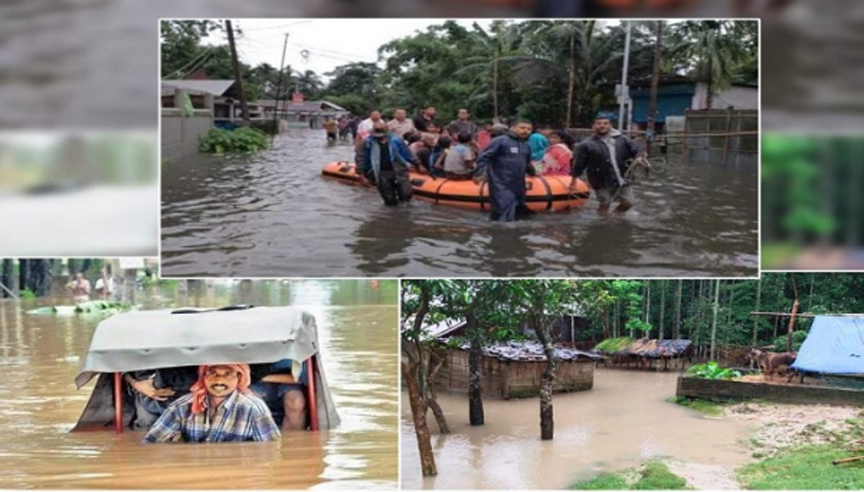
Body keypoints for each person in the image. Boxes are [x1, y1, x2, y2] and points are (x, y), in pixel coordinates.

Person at [142, 364, 280, 443]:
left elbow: (271, 454)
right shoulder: (181, 407)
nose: (219, 380)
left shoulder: (254, 410)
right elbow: (151, 444)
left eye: (228, 374)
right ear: (203, 377)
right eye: (212, 373)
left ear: (239, 378)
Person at [570, 115, 645, 215]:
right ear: (593, 126)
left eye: (605, 123)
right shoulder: (586, 144)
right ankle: (603, 222)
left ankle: (616, 216)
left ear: (610, 126)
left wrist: (639, 157)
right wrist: (573, 180)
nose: (602, 126)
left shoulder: (623, 139)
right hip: (600, 179)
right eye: (599, 124)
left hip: (622, 176)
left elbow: (637, 149)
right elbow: (579, 163)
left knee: (629, 202)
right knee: (605, 203)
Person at [473, 120, 536, 222]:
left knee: (518, 210)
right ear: (513, 128)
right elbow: (484, 156)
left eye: (529, 129)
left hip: (518, 183)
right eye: (522, 128)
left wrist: (534, 173)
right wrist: (479, 173)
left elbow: (527, 163)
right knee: (505, 210)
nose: (526, 131)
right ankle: (502, 234)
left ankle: (515, 235)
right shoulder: (501, 141)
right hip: (501, 183)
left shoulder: (526, 146)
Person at [359, 122, 418, 206]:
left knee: (406, 194)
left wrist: (417, 163)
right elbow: (361, 158)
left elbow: (407, 153)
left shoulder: (396, 140)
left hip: (399, 169)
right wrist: (361, 175)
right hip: (381, 172)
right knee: (389, 199)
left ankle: (402, 211)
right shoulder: (368, 142)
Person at [125, 367, 198, 430]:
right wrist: (135, 384)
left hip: (185, 386)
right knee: (146, 423)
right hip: (145, 388)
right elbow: (118, 364)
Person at [250, 359, 308, 431]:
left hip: (289, 381)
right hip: (256, 381)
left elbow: (300, 377)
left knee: (296, 401)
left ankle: (292, 440)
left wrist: (260, 377)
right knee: (249, 401)